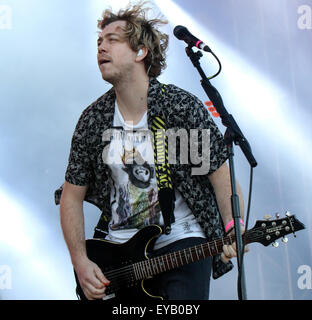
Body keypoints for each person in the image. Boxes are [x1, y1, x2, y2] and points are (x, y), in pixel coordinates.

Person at [55, 2, 247, 300]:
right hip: (120, 255)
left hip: (183, 238)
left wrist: (235, 224)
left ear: (140, 52)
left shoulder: (178, 107)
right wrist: (81, 262)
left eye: (112, 40)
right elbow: (71, 197)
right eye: (99, 42)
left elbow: (219, 173)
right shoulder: (94, 120)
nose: (101, 48)